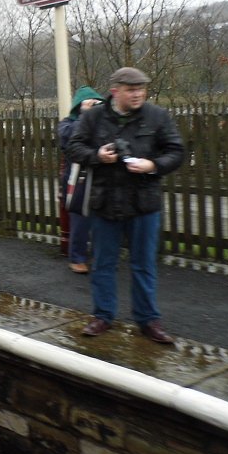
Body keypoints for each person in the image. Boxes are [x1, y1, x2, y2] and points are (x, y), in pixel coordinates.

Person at [66, 67, 184, 343]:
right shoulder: (93, 117)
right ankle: (102, 316)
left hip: (144, 204)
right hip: (105, 202)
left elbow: (176, 151)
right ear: (115, 90)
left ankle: (148, 321)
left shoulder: (156, 116)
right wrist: (97, 155)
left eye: (142, 89)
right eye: (132, 90)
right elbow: (73, 147)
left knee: (143, 264)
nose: (138, 94)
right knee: (104, 263)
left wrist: (152, 165)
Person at [58, 86, 104, 274]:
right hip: (78, 178)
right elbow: (67, 140)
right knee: (80, 219)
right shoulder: (67, 124)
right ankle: (77, 257)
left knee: (103, 220)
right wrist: (86, 116)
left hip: (102, 176)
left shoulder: (105, 122)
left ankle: (100, 256)